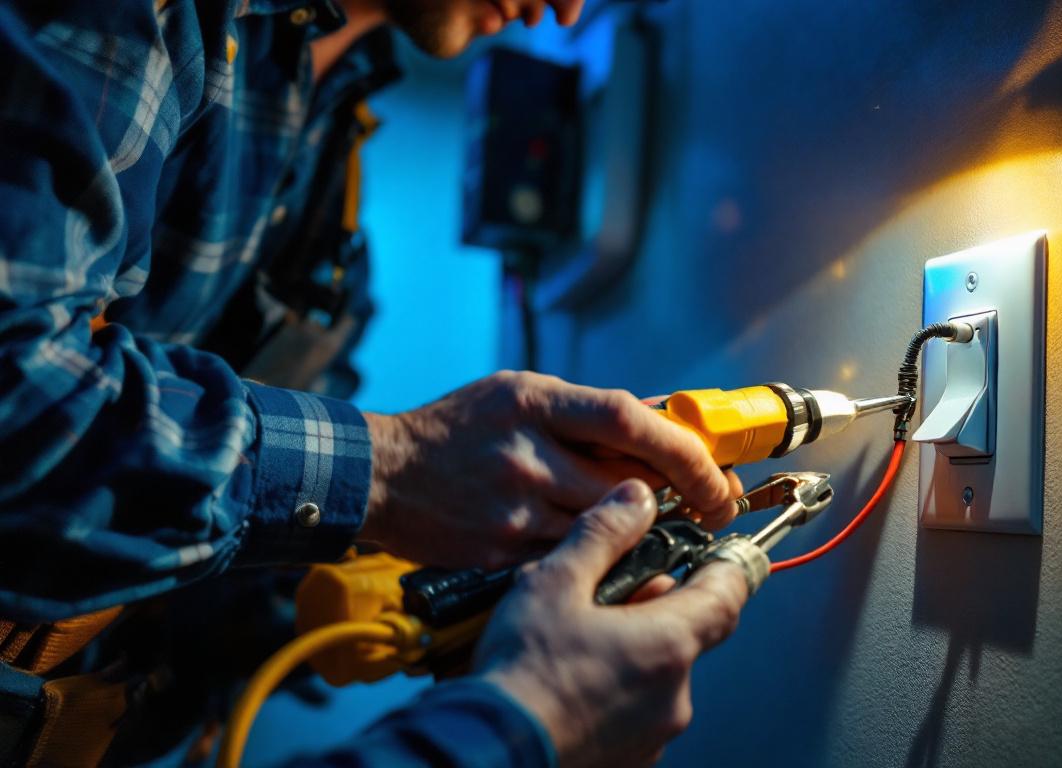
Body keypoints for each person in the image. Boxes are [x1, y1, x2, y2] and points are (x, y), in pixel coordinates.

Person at [0, 0, 749, 765]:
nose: (564, 12)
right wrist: (392, 465)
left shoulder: (330, 137)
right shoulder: (143, 18)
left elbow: (244, 536)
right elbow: (18, 396)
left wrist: (460, 596)